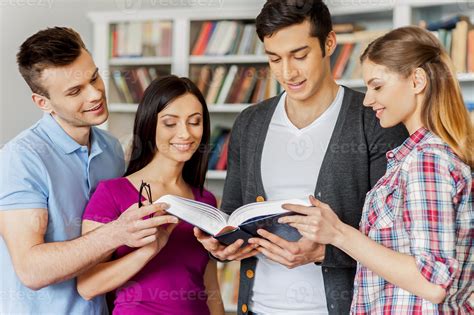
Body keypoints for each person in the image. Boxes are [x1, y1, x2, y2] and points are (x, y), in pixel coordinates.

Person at [194, 1, 408, 314]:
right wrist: (221, 246)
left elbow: (398, 241)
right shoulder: (250, 123)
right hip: (257, 307)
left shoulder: (375, 120)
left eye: (300, 55)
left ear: (329, 43)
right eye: (274, 59)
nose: (287, 72)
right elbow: (233, 212)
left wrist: (324, 252)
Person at [281, 26, 473, 314]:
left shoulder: (427, 161)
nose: (368, 99)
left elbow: (432, 283)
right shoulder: (414, 158)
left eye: (377, 86)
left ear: (417, 80)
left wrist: (339, 234)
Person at [0, 27, 176, 314]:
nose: (95, 94)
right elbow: (31, 270)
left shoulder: (111, 150)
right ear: (43, 103)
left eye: (94, 77)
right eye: (75, 91)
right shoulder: (20, 159)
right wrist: (117, 232)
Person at [78, 75, 225, 315]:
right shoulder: (112, 193)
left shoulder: (205, 199)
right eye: (170, 123)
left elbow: (210, 287)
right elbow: (87, 286)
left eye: (194, 122)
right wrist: (149, 249)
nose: (185, 134)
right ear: (150, 125)